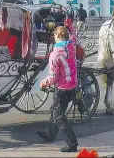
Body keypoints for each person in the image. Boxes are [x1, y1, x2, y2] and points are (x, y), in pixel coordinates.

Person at [37, 17, 78, 153]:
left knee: (59, 116)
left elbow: (53, 78)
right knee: (55, 109)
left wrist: (43, 83)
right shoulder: (71, 45)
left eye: (54, 35)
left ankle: (72, 143)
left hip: (62, 88)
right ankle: (50, 134)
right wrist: (70, 26)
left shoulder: (55, 54)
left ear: (57, 36)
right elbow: (74, 35)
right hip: (72, 85)